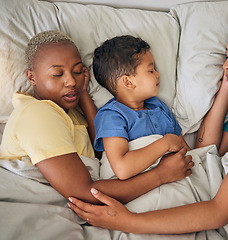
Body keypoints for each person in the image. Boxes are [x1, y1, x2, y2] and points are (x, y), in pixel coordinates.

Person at [68, 14, 228, 233]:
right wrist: (227, 87)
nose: (226, 64)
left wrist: (128, 221)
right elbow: (205, 149)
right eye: (226, 56)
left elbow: (219, 211)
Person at [0, 30, 193, 205]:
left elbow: (101, 148)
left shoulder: (67, 111)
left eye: (77, 72)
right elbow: (86, 193)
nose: (71, 81)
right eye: (58, 74)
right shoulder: (37, 114)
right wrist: (160, 175)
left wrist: (83, 95)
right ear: (31, 77)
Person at [92, 35, 190, 180]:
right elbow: (122, 168)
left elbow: (185, 151)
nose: (158, 74)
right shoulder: (111, 116)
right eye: (151, 70)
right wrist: (165, 143)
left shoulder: (158, 107)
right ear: (128, 82)